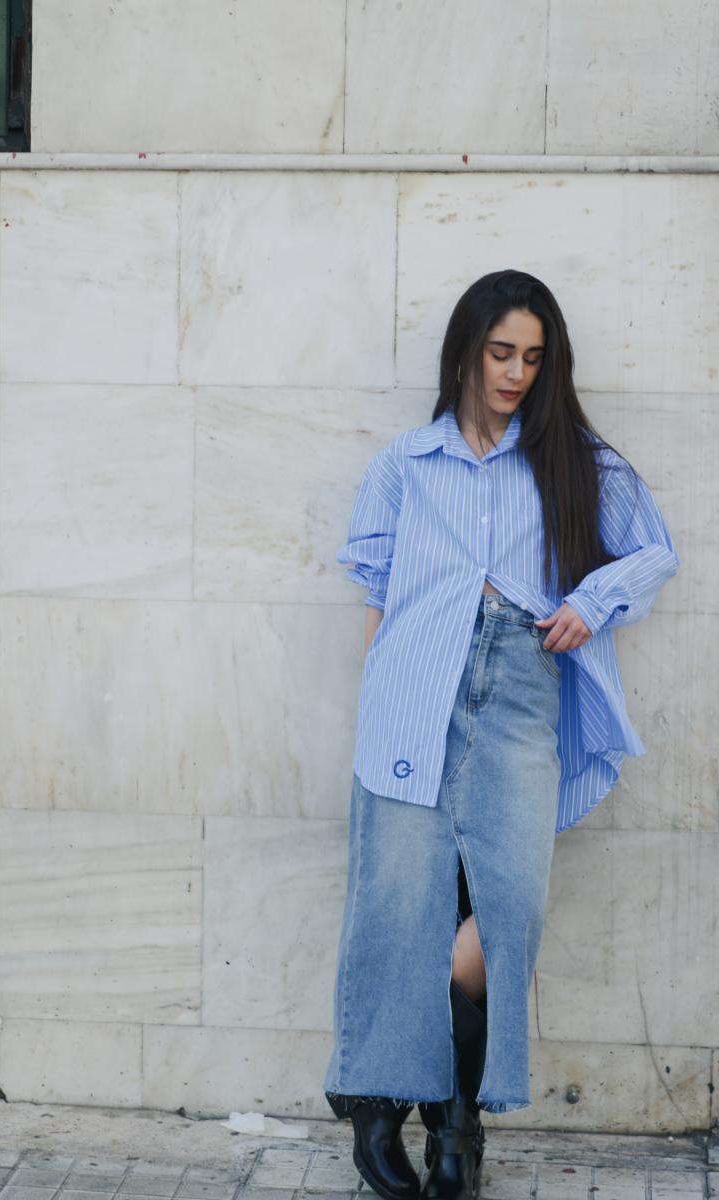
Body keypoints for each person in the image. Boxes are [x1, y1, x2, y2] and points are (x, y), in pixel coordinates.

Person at [321, 269, 680, 1200]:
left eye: (533, 356)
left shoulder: (573, 461)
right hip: (414, 690)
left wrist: (591, 602)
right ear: (466, 354)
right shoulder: (407, 463)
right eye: (501, 353)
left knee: (506, 911)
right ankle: (414, 1122)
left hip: (519, 690)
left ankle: (425, 1100)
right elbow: (378, 596)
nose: (517, 372)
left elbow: (655, 551)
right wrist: (382, 704)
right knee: (397, 907)